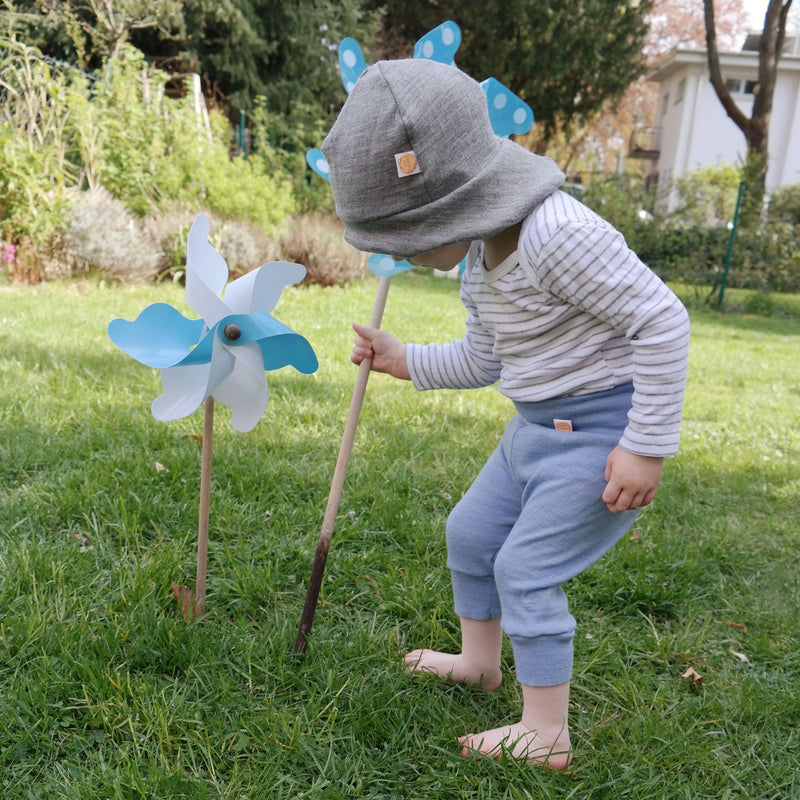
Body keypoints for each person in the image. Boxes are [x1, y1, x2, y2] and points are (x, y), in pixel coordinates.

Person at [320, 58, 690, 768]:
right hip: (532, 430)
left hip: (602, 434)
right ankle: (479, 662)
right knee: (471, 534)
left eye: (407, 240)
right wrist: (408, 360)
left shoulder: (558, 235)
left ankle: (547, 729)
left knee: (525, 567)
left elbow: (661, 320)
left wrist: (646, 445)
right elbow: (485, 361)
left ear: (455, 205)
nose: (403, 257)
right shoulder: (478, 258)